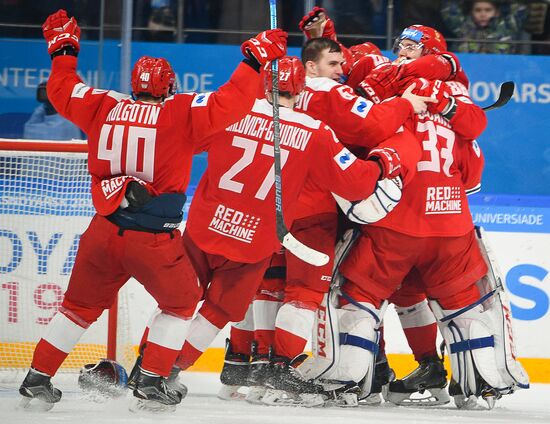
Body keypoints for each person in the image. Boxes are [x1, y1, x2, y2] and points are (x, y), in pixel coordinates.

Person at [18, 8, 288, 412]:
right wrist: (253, 60)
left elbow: (62, 88)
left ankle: (37, 380)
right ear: (168, 87)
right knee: (181, 303)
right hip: (153, 241)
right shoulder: (180, 112)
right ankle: (152, 380)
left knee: (77, 308)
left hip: (103, 232)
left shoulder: (103, 106)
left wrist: (64, 50)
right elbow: (231, 102)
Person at [133, 55, 416, 404]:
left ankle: (146, 367)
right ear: (301, 89)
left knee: (176, 301)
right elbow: (356, 184)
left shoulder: (232, 108)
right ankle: (176, 369)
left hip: (207, 225)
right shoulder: (315, 131)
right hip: (254, 238)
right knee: (223, 309)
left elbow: (183, 137)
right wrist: (383, 161)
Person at [441, 0, 529, 54]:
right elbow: (449, 8)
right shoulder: (463, 27)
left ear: (497, 12)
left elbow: (520, 7)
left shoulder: (507, 27)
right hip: (470, 74)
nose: (483, 14)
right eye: (478, 10)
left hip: (502, 75)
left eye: (488, 10)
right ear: (471, 12)